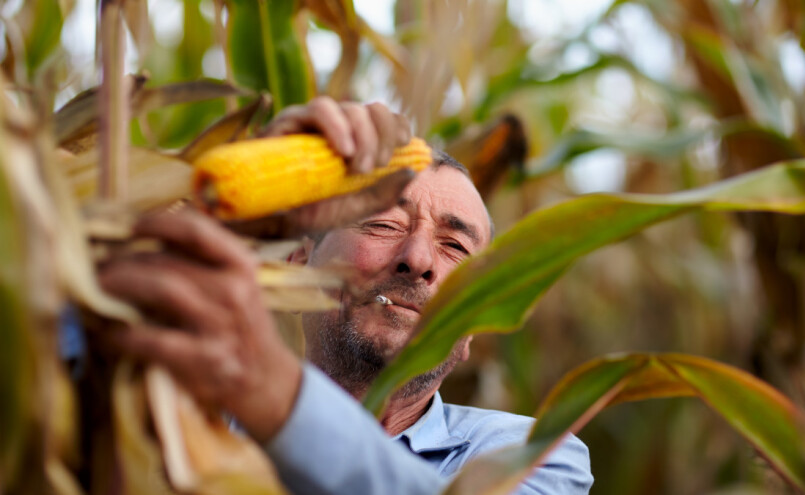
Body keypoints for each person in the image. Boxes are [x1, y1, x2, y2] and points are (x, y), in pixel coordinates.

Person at [98, 97, 593, 494]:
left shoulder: (533, 454)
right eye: (381, 224)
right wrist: (238, 215)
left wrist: (279, 396)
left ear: (474, 330)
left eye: (455, 247)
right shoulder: (171, 409)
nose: (417, 258)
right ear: (295, 265)